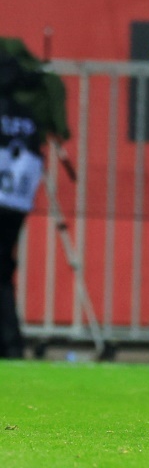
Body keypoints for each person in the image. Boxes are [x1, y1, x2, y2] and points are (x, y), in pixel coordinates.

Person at [0, 38, 70, 359]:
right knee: (3, 267)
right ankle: (11, 343)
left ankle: (11, 345)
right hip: (16, 199)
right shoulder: (28, 112)